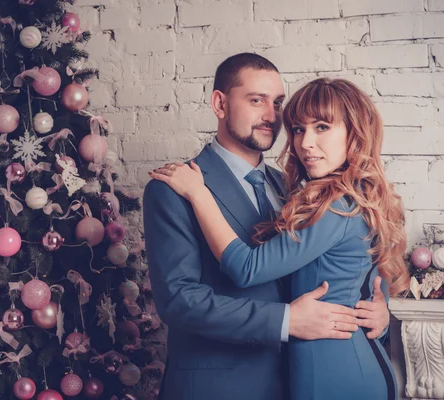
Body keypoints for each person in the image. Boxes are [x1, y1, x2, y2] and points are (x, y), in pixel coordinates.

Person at [143, 54, 392, 400]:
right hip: (218, 387)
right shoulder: (174, 188)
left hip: (300, 381)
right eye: (256, 100)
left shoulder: (298, 188)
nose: (272, 116)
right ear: (220, 103)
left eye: (277, 103)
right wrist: (287, 321)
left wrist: (378, 308)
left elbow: (356, 256)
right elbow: (179, 300)